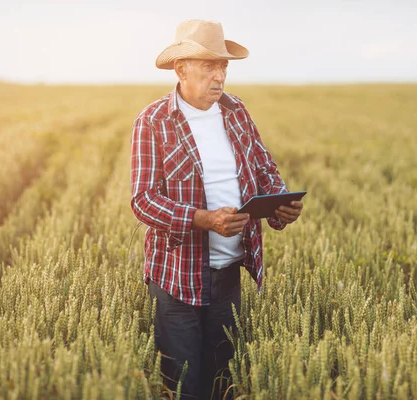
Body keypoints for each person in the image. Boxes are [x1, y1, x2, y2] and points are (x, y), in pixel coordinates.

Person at [130, 19, 303, 399]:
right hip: (177, 278)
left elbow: (263, 169)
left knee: (223, 383)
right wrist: (203, 220)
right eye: (209, 66)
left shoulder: (236, 111)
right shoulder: (154, 121)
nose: (220, 75)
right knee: (184, 386)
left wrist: (280, 205)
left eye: (223, 66)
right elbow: (143, 200)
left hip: (228, 275)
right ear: (181, 69)